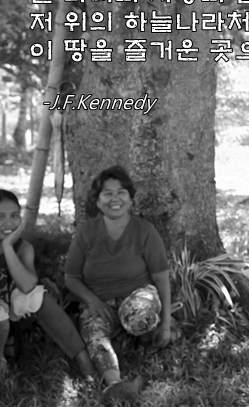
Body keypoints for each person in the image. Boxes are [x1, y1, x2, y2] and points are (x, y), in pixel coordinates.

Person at [64, 166, 172, 402]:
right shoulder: (86, 233)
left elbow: (161, 279)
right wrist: (93, 301)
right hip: (99, 303)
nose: (115, 199)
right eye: (107, 193)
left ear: (131, 199)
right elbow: (71, 277)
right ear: (98, 201)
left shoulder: (145, 231)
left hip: (137, 297)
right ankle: (116, 384)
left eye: (121, 192)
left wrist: (165, 325)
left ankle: (144, 339)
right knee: (93, 337)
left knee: (139, 314)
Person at [0, 189, 95, 379]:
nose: (8, 223)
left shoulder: (23, 247)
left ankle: (83, 360)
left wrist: (8, 246)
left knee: (40, 297)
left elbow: (27, 286)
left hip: (11, 313)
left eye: (14, 216)